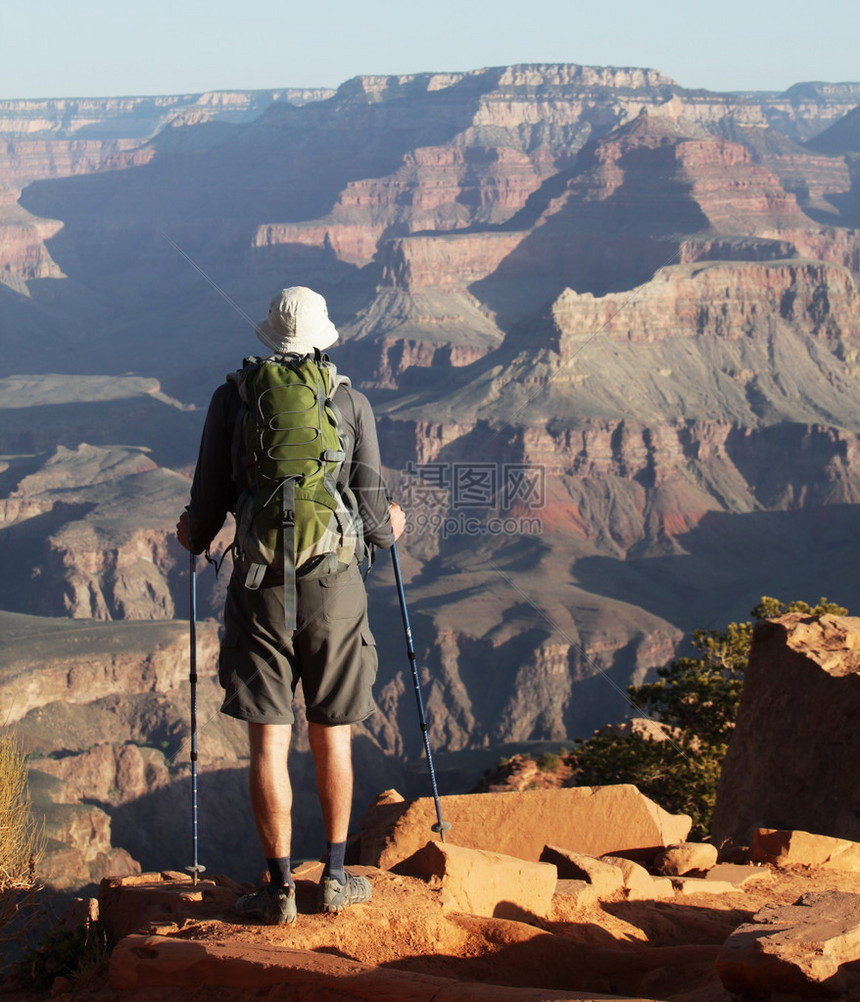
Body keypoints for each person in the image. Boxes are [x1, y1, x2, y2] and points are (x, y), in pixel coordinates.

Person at [176, 286, 405, 925]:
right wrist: (394, 526)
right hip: (334, 587)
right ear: (322, 338)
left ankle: (278, 890)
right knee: (332, 733)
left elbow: (205, 511)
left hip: (258, 587)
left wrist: (188, 535)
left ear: (269, 337)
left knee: (268, 743)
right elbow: (373, 515)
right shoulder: (350, 401)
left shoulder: (232, 400)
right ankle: (333, 877)